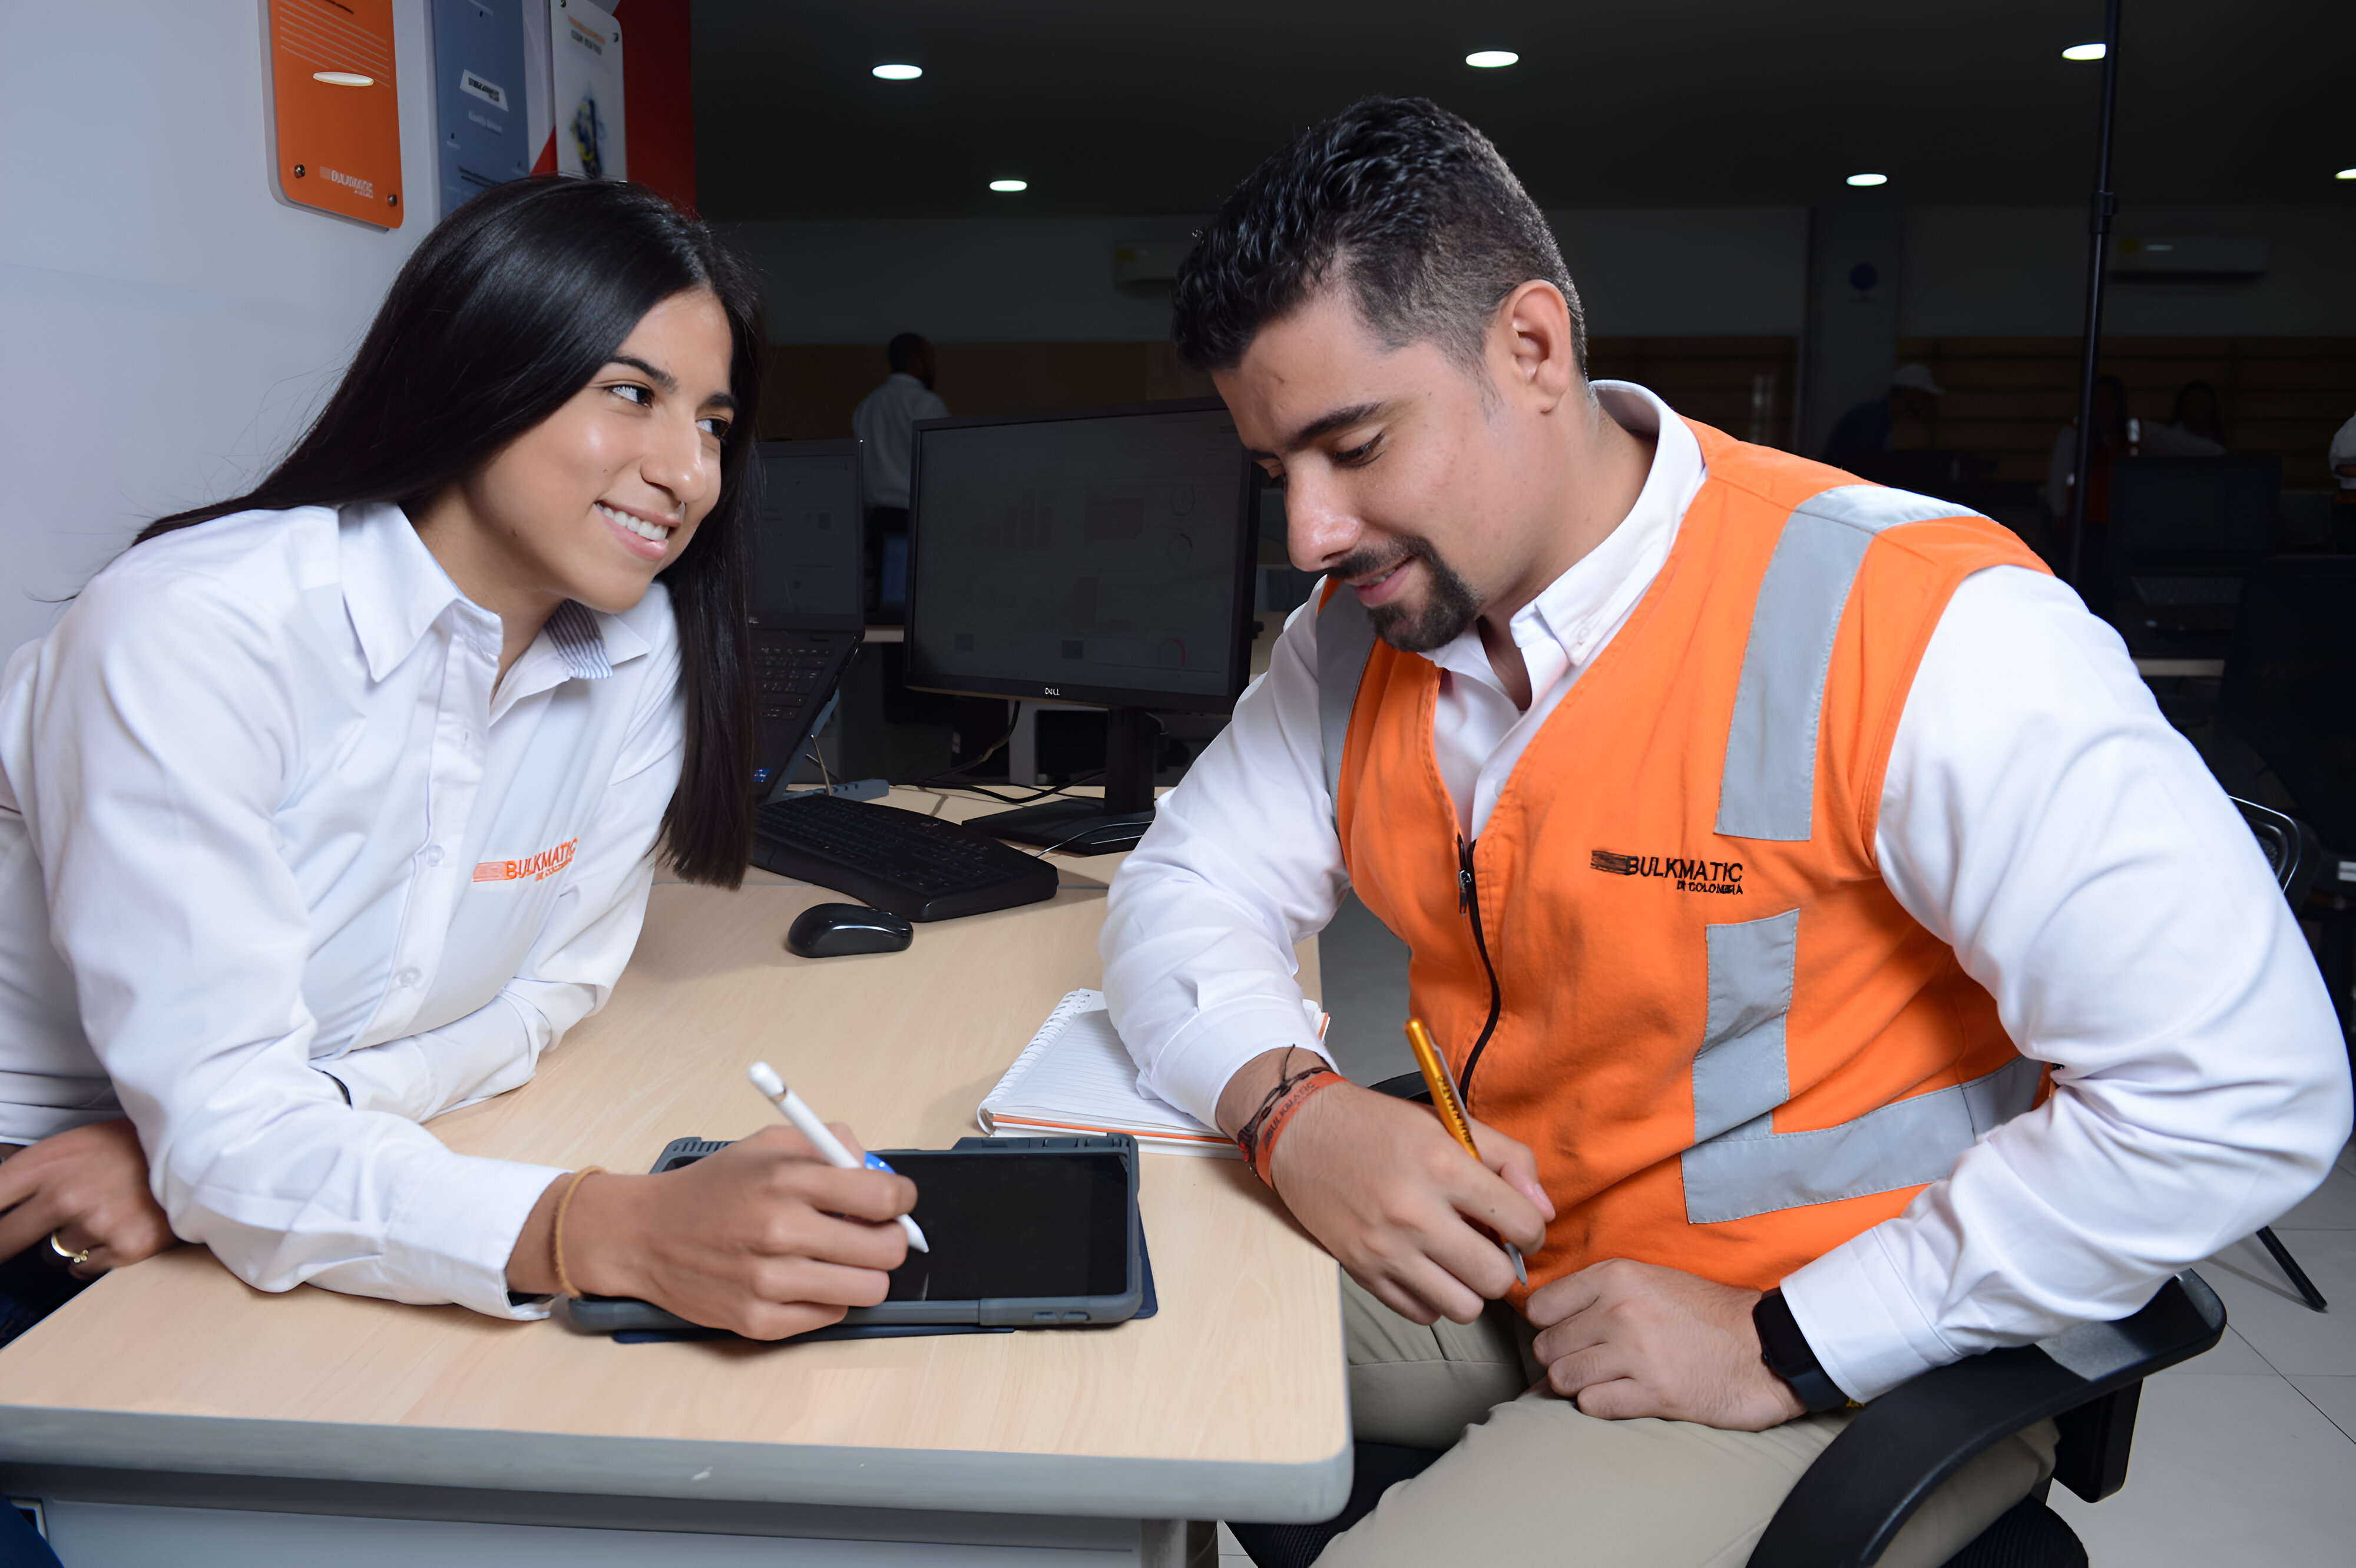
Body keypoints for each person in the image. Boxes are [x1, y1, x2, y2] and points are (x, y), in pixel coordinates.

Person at [1103, 98, 2348, 1566]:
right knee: (1099, 1326)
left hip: (1819, 1338)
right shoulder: (1353, 638)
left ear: (1532, 348)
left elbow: (2245, 1088)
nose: (1309, 531)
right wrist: (1291, 1110)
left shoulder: (1917, 623)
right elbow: (1178, 888)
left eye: (1354, 445)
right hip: (1523, 1248)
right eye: (1275, 473)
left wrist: (1790, 1340)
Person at [0, 177, 916, 1349]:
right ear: (485, 372)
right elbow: (230, 1129)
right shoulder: (198, 628)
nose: (688, 473)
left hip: (211, 1169)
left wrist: (250, 1131)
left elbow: (548, 995)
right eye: (632, 394)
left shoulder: (637, 653)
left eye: (714, 424)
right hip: (37, 1179)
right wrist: (601, 1228)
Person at [851, 333, 949, 614]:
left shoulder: (867, 406)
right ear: (917, 362)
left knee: (888, 613)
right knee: (920, 613)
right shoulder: (927, 403)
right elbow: (940, 466)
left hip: (877, 522)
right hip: (917, 521)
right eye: (930, 361)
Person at [1819, 362, 1943, 472]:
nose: (1925, 404)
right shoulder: (1874, 417)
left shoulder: (1879, 413)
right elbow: (1866, 463)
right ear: (1911, 393)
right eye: (1924, 396)